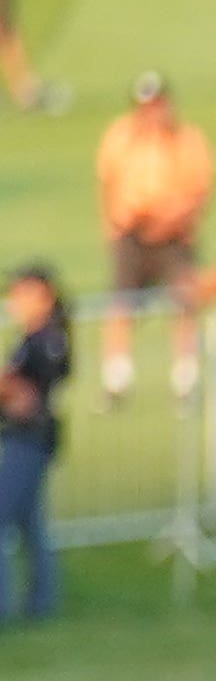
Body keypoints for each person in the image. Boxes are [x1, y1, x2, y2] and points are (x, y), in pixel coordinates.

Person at [98, 75, 216, 407]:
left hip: (174, 236)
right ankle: (116, 378)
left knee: (184, 305)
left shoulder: (187, 139)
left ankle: (185, 379)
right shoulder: (120, 137)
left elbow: (198, 191)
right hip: (131, 234)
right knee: (121, 304)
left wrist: (169, 220)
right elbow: (108, 184)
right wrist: (117, 224)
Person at [0, 264, 63, 626]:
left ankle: (6, 605)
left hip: (28, 439)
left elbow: (23, 397)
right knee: (31, 523)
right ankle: (42, 602)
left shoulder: (45, 341)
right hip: (28, 438)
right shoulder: (33, 340)